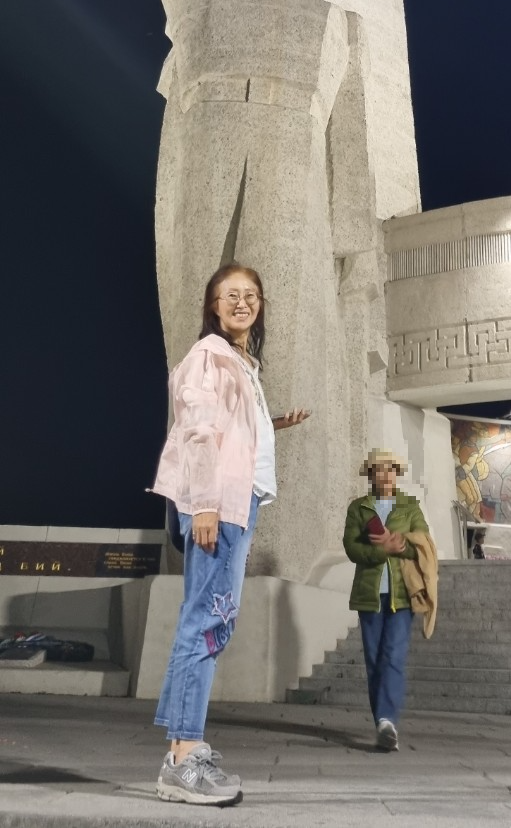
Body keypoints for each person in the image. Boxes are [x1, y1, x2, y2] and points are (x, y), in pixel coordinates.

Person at [151, 264, 310, 806]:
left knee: (209, 622)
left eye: (251, 295)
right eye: (231, 295)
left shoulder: (241, 362)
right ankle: (183, 758)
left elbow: (232, 429)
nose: (243, 302)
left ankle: (182, 750)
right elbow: (197, 432)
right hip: (218, 504)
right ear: (213, 305)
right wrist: (203, 505)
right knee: (206, 622)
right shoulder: (208, 356)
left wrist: (273, 425)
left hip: (237, 503)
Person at [343, 451, 429, 752]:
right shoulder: (359, 508)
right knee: (374, 660)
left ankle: (386, 721)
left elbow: (423, 546)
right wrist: (382, 550)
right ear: (371, 475)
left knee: (393, 656)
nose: (385, 475)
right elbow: (352, 548)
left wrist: (399, 545)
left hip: (402, 594)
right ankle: (382, 721)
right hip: (369, 595)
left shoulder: (409, 506)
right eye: (379, 470)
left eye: (390, 470)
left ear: (396, 474)